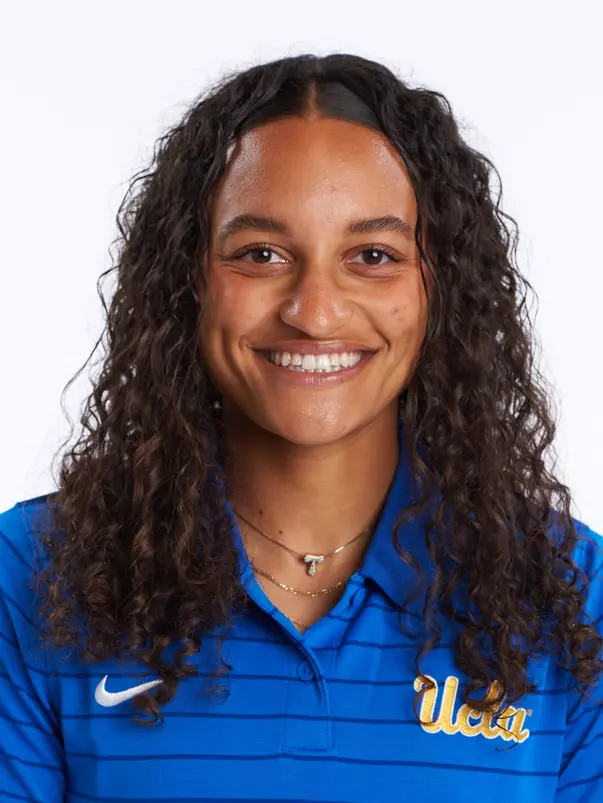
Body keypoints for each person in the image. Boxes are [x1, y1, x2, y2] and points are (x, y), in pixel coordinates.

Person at [0, 52, 601, 803]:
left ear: (439, 289)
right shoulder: (27, 576)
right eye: (261, 254)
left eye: (372, 255)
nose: (314, 311)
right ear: (189, 279)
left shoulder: (574, 595)